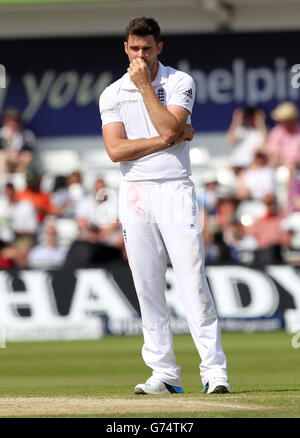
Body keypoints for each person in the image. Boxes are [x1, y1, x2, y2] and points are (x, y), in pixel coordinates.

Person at [99, 17, 230, 395]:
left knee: (192, 278)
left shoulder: (178, 82)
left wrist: (145, 90)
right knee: (147, 285)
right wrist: (166, 139)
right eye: (135, 48)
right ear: (125, 47)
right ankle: (165, 374)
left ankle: (214, 372)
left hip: (174, 188)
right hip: (135, 191)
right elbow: (115, 150)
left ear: (160, 47)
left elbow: (173, 128)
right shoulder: (111, 93)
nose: (141, 55)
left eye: (148, 48)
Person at [227, 106, 268, 174]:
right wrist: (237, 120)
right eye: (247, 116)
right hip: (237, 165)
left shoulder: (260, 132)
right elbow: (231, 141)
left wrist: (260, 122)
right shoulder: (240, 130)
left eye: (251, 116)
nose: (249, 118)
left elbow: (265, 145)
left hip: (252, 167)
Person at [0, 107, 36, 175]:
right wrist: (9, 155)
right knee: (1, 157)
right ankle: (2, 181)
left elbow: (29, 151)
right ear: (5, 122)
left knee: (27, 157)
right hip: (6, 161)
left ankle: (20, 181)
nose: (12, 124)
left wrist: (17, 157)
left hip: (19, 161)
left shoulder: (27, 135)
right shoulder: (1, 134)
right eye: (9, 121)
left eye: (15, 121)